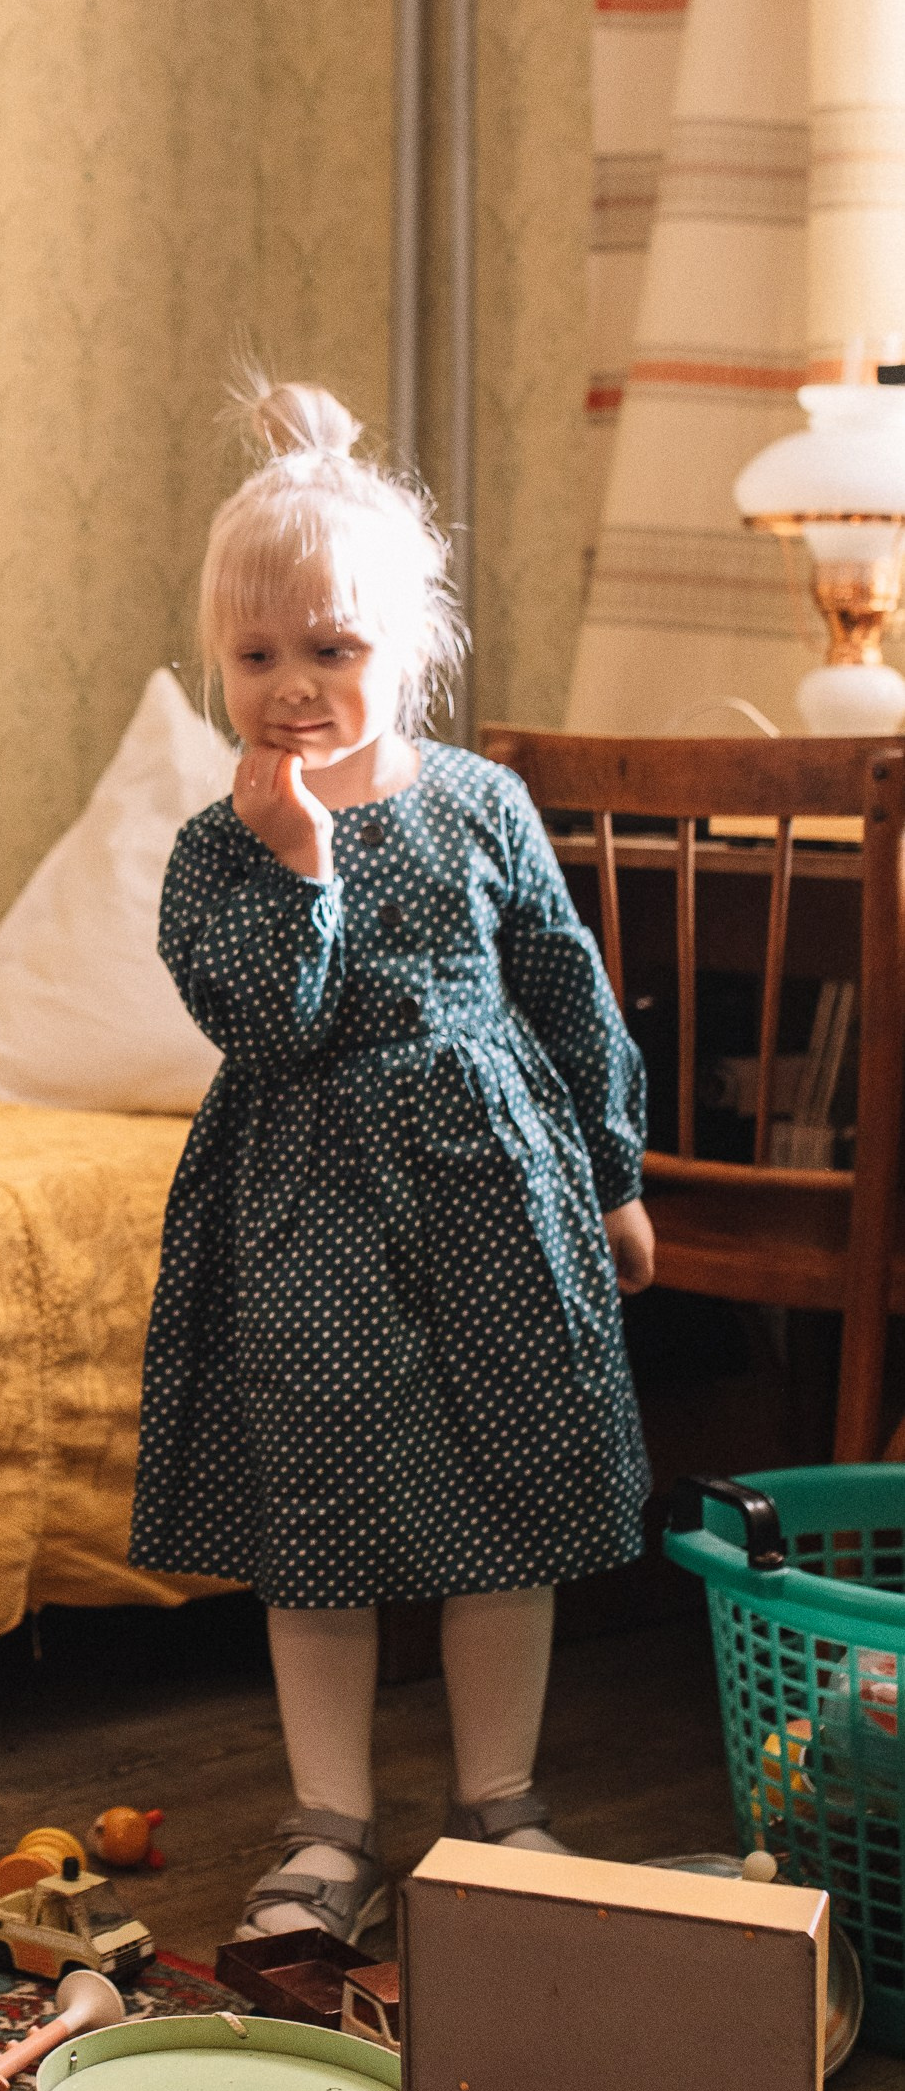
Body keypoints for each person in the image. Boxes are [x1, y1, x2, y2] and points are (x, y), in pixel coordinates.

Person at [128, 381, 655, 1948]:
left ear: (404, 648)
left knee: (513, 1491)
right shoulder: (217, 849)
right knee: (322, 1506)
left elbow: (563, 986)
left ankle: (498, 1800)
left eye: (331, 650)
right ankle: (328, 1821)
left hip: (497, 1197)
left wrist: (613, 1173)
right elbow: (263, 1025)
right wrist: (297, 862)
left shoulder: (481, 805)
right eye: (255, 657)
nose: (292, 688)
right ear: (219, 660)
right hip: (305, 1212)